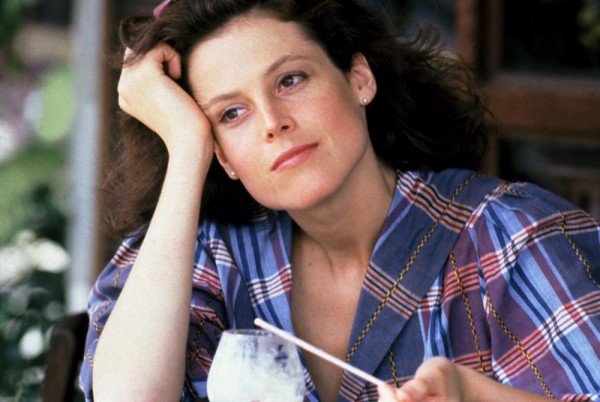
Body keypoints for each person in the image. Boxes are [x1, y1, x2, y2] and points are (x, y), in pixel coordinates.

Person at [79, 0, 600, 401]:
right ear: (222, 155)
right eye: (230, 114)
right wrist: (187, 146)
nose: (272, 122)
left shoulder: (512, 237)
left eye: (290, 80)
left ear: (359, 79)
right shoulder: (206, 256)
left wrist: (472, 396)